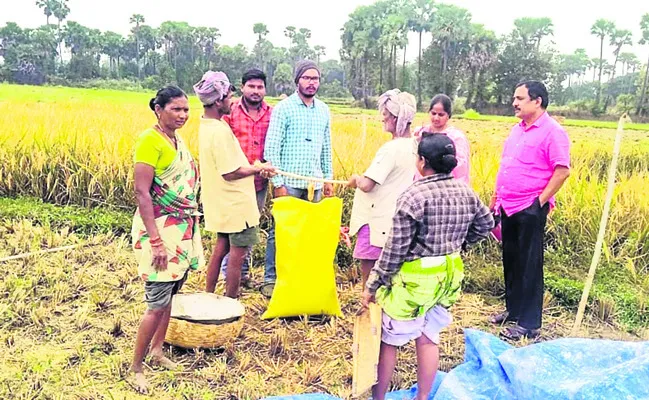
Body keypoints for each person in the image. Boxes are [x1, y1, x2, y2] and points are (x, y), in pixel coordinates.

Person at [362, 133, 494, 400]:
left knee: (390, 341)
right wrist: (461, 244)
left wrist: (373, 284)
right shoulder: (464, 190)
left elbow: (395, 249)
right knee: (428, 336)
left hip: (416, 279)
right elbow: (486, 223)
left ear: (421, 162)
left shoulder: (413, 195)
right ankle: (423, 397)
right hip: (449, 273)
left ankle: (378, 399)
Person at [130, 86, 204, 394]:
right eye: (176, 109)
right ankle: (135, 367)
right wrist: (156, 241)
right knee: (156, 302)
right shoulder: (150, 141)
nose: (183, 115)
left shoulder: (176, 140)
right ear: (158, 109)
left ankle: (158, 351)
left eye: (186, 110)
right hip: (159, 229)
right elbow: (142, 193)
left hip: (182, 229)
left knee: (172, 292)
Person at [489, 80, 571, 340]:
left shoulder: (552, 132)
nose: (514, 103)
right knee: (511, 259)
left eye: (520, 98)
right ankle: (513, 311)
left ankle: (529, 322)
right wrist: (496, 197)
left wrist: (539, 203)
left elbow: (562, 170)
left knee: (529, 264)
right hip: (508, 205)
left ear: (537, 101)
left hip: (529, 207)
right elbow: (506, 167)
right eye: (515, 98)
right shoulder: (517, 130)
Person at [194, 71, 274, 299]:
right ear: (218, 101)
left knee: (221, 249)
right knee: (237, 256)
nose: (231, 101)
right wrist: (258, 168)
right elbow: (231, 172)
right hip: (237, 206)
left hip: (224, 204)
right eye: (229, 96)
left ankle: (209, 296)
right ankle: (230, 300)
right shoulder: (219, 131)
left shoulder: (208, 125)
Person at [262, 59, 334, 297]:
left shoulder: (323, 110)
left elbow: (326, 149)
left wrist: (328, 179)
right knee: (280, 231)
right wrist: (278, 184)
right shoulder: (284, 108)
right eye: (307, 78)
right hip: (289, 184)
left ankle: (300, 278)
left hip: (314, 185)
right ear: (297, 80)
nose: (311, 83)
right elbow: (271, 149)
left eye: (315, 79)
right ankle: (271, 279)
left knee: (310, 233)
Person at [347, 89, 418, 287]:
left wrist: (356, 179)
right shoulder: (414, 146)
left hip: (376, 220)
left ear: (395, 118)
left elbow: (367, 185)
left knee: (370, 276)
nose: (382, 120)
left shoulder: (390, 149)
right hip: (396, 220)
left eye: (385, 116)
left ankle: (369, 309)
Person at [220, 68, 273, 288]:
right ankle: (229, 276)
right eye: (251, 86)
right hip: (234, 180)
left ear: (265, 90)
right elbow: (222, 145)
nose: (255, 91)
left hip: (259, 183)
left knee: (250, 228)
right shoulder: (230, 111)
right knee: (230, 229)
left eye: (260, 87)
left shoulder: (272, 113)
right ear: (243, 87)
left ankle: (242, 276)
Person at [414, 94, 470, 185]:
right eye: (433, 113)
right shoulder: (421, 132)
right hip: (422, 182)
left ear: (448, 115)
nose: (436, 118)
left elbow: (461, 167)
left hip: (447, 184)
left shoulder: (456, 137)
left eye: (441, 114)